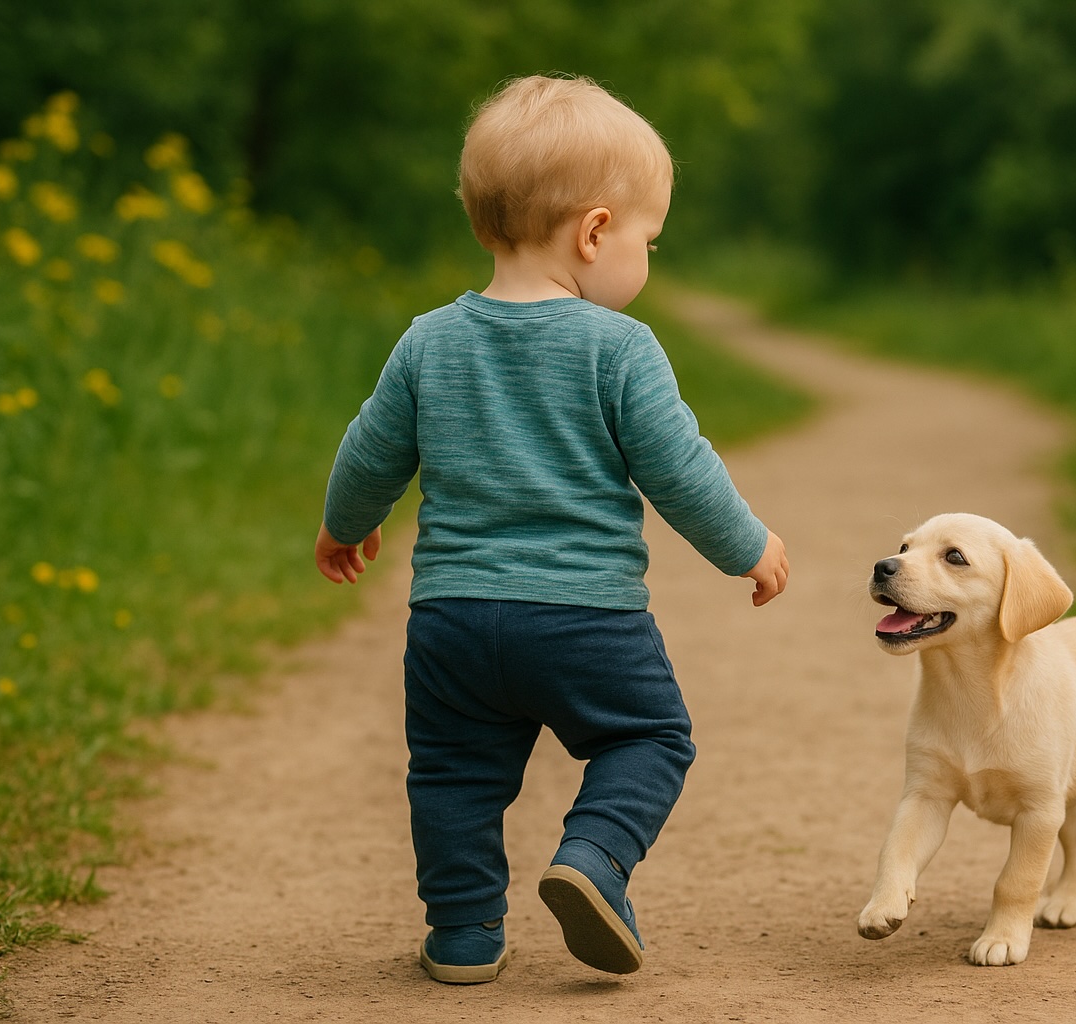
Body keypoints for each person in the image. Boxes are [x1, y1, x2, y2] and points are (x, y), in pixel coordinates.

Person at [313, 74, 789, 984]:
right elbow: (679, 470)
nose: (646, 260)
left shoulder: (428, 340)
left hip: (451, 620)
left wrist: (346, 525)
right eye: (649, 239)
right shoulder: (620, 347)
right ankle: (595, 859)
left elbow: (370, 450)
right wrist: (749, 546)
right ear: (596, 231)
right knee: (650, 739)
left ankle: (463, 938)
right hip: (586, 620)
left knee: (453, 776)